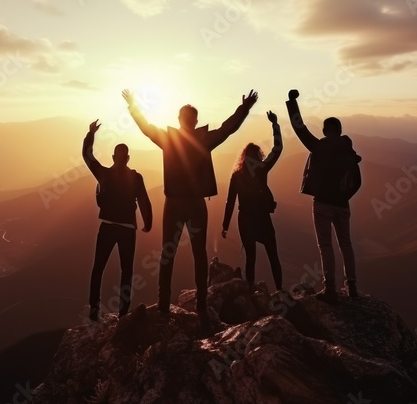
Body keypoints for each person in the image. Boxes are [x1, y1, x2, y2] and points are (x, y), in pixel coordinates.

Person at [123, 88, 258, 319]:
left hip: (173, 204)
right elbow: (228, 128)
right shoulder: (204, 139)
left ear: (179, 120)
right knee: (199, 253)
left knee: (168, 253)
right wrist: (244, 109)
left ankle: (164, 305)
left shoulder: (169, 139)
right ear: (196, 121)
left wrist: (134, 107)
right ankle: (202, 305)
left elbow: (146, 129)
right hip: (196, 204)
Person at [284, 89, 362, 302]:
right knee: (346, 244)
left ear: (326, 130)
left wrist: (292, 104)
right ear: (339, 130)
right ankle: (352, 286)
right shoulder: (349, 152)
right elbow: (357, 181)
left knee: (326, 245)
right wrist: (345, 196)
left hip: (322, 204)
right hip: (343, 204)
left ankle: (330, 288)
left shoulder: (319, 147)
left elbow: (300, 129)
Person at [82, 120, 153, 322]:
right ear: (128, 157)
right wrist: (148, 222)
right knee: (127, 270)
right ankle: (123, 311)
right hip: (127, 229)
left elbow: (87, 156)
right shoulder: (136, 178)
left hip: (107, 226)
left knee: (98, 267)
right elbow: (144, 200)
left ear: (114, 157)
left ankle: (94, 309)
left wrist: (91, 134)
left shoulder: (104, 174)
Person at [221, 111, 284, 291]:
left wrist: (225, 225)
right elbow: (277, 149)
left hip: (245, 219)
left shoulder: (236, 176)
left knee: (250, 257)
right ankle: (279, 290)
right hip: (262, 218)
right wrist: (275, 125)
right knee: (273, 255)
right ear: (258, 156)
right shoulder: (261, 169)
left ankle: (250, 291)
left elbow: (230, 202)